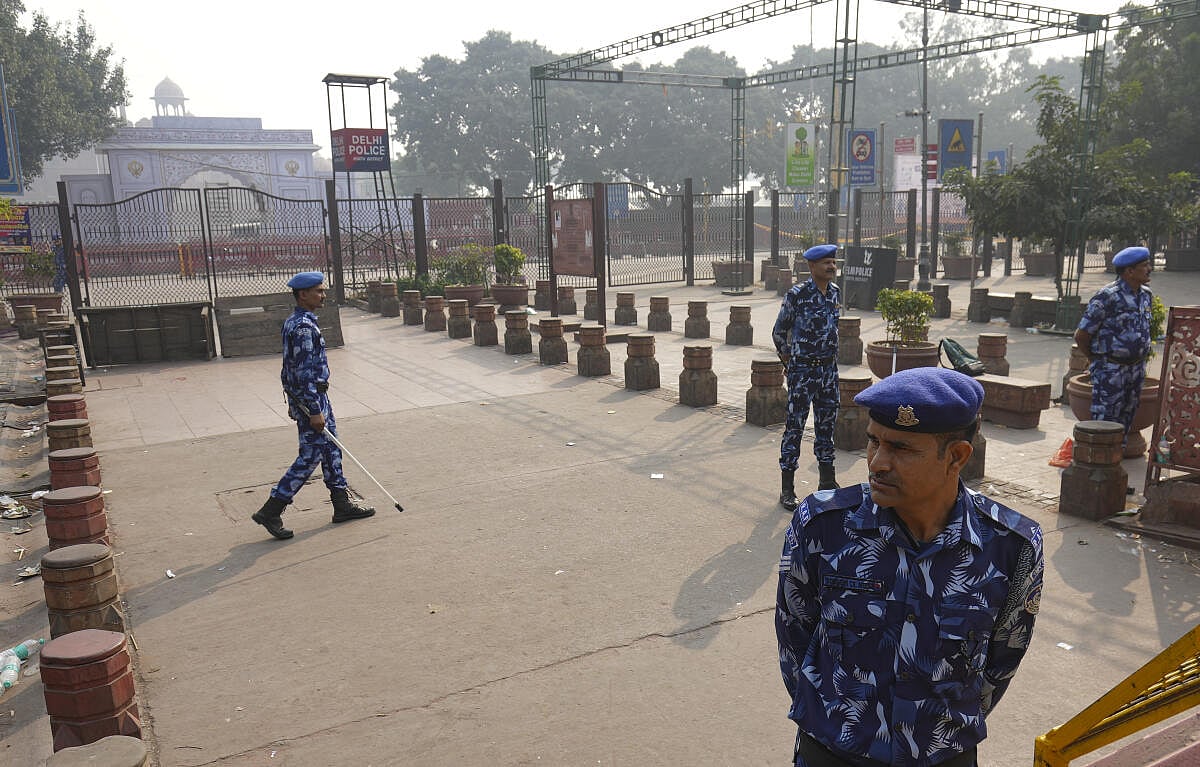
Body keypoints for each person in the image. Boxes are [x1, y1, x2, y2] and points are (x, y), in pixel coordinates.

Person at [776, 367, 1043, 767]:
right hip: (833, 752)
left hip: (942, 757)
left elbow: (1001, 662)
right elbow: (794, 638)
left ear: (956, 456)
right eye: (873, 442)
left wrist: (933, 732)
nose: (877, 463)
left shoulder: (1011, 547)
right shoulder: (823, 526)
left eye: (901, 449)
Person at [251, 271, 375, 540]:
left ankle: (341, 503)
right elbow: (305, 371)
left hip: (310, 398)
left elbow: (288, 369)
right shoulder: (304, 328)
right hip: (313, 400)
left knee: (331, 449)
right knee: (311, 456)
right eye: (318, 291)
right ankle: (272, 508)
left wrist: (296, 399)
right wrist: (312, 409)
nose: (323, 295)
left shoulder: (296, 321)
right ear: (303, 294)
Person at [773, 243, 841, 511]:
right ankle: (787, 489)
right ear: (812, 267)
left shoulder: (834, 293)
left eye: (833, 262)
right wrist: (791, 362)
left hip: (828, 371)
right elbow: (779, 332)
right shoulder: (797, 295)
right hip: (803, 372)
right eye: (826, 263)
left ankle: (827, 482)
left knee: (827, 426)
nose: (831, 267)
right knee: (795, 428)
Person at [1073, 245, 1154, 445]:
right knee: (1104, 420)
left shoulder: (1145, 295)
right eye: (1145, 265)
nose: (1150, 268)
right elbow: (1082, 335)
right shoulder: (1108, 296)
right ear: (1129, 271)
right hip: (1111, 369)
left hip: (1135, 369)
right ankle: (1099, 464)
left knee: (1128, 416)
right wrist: (1095, 360)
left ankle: (1116, 460)